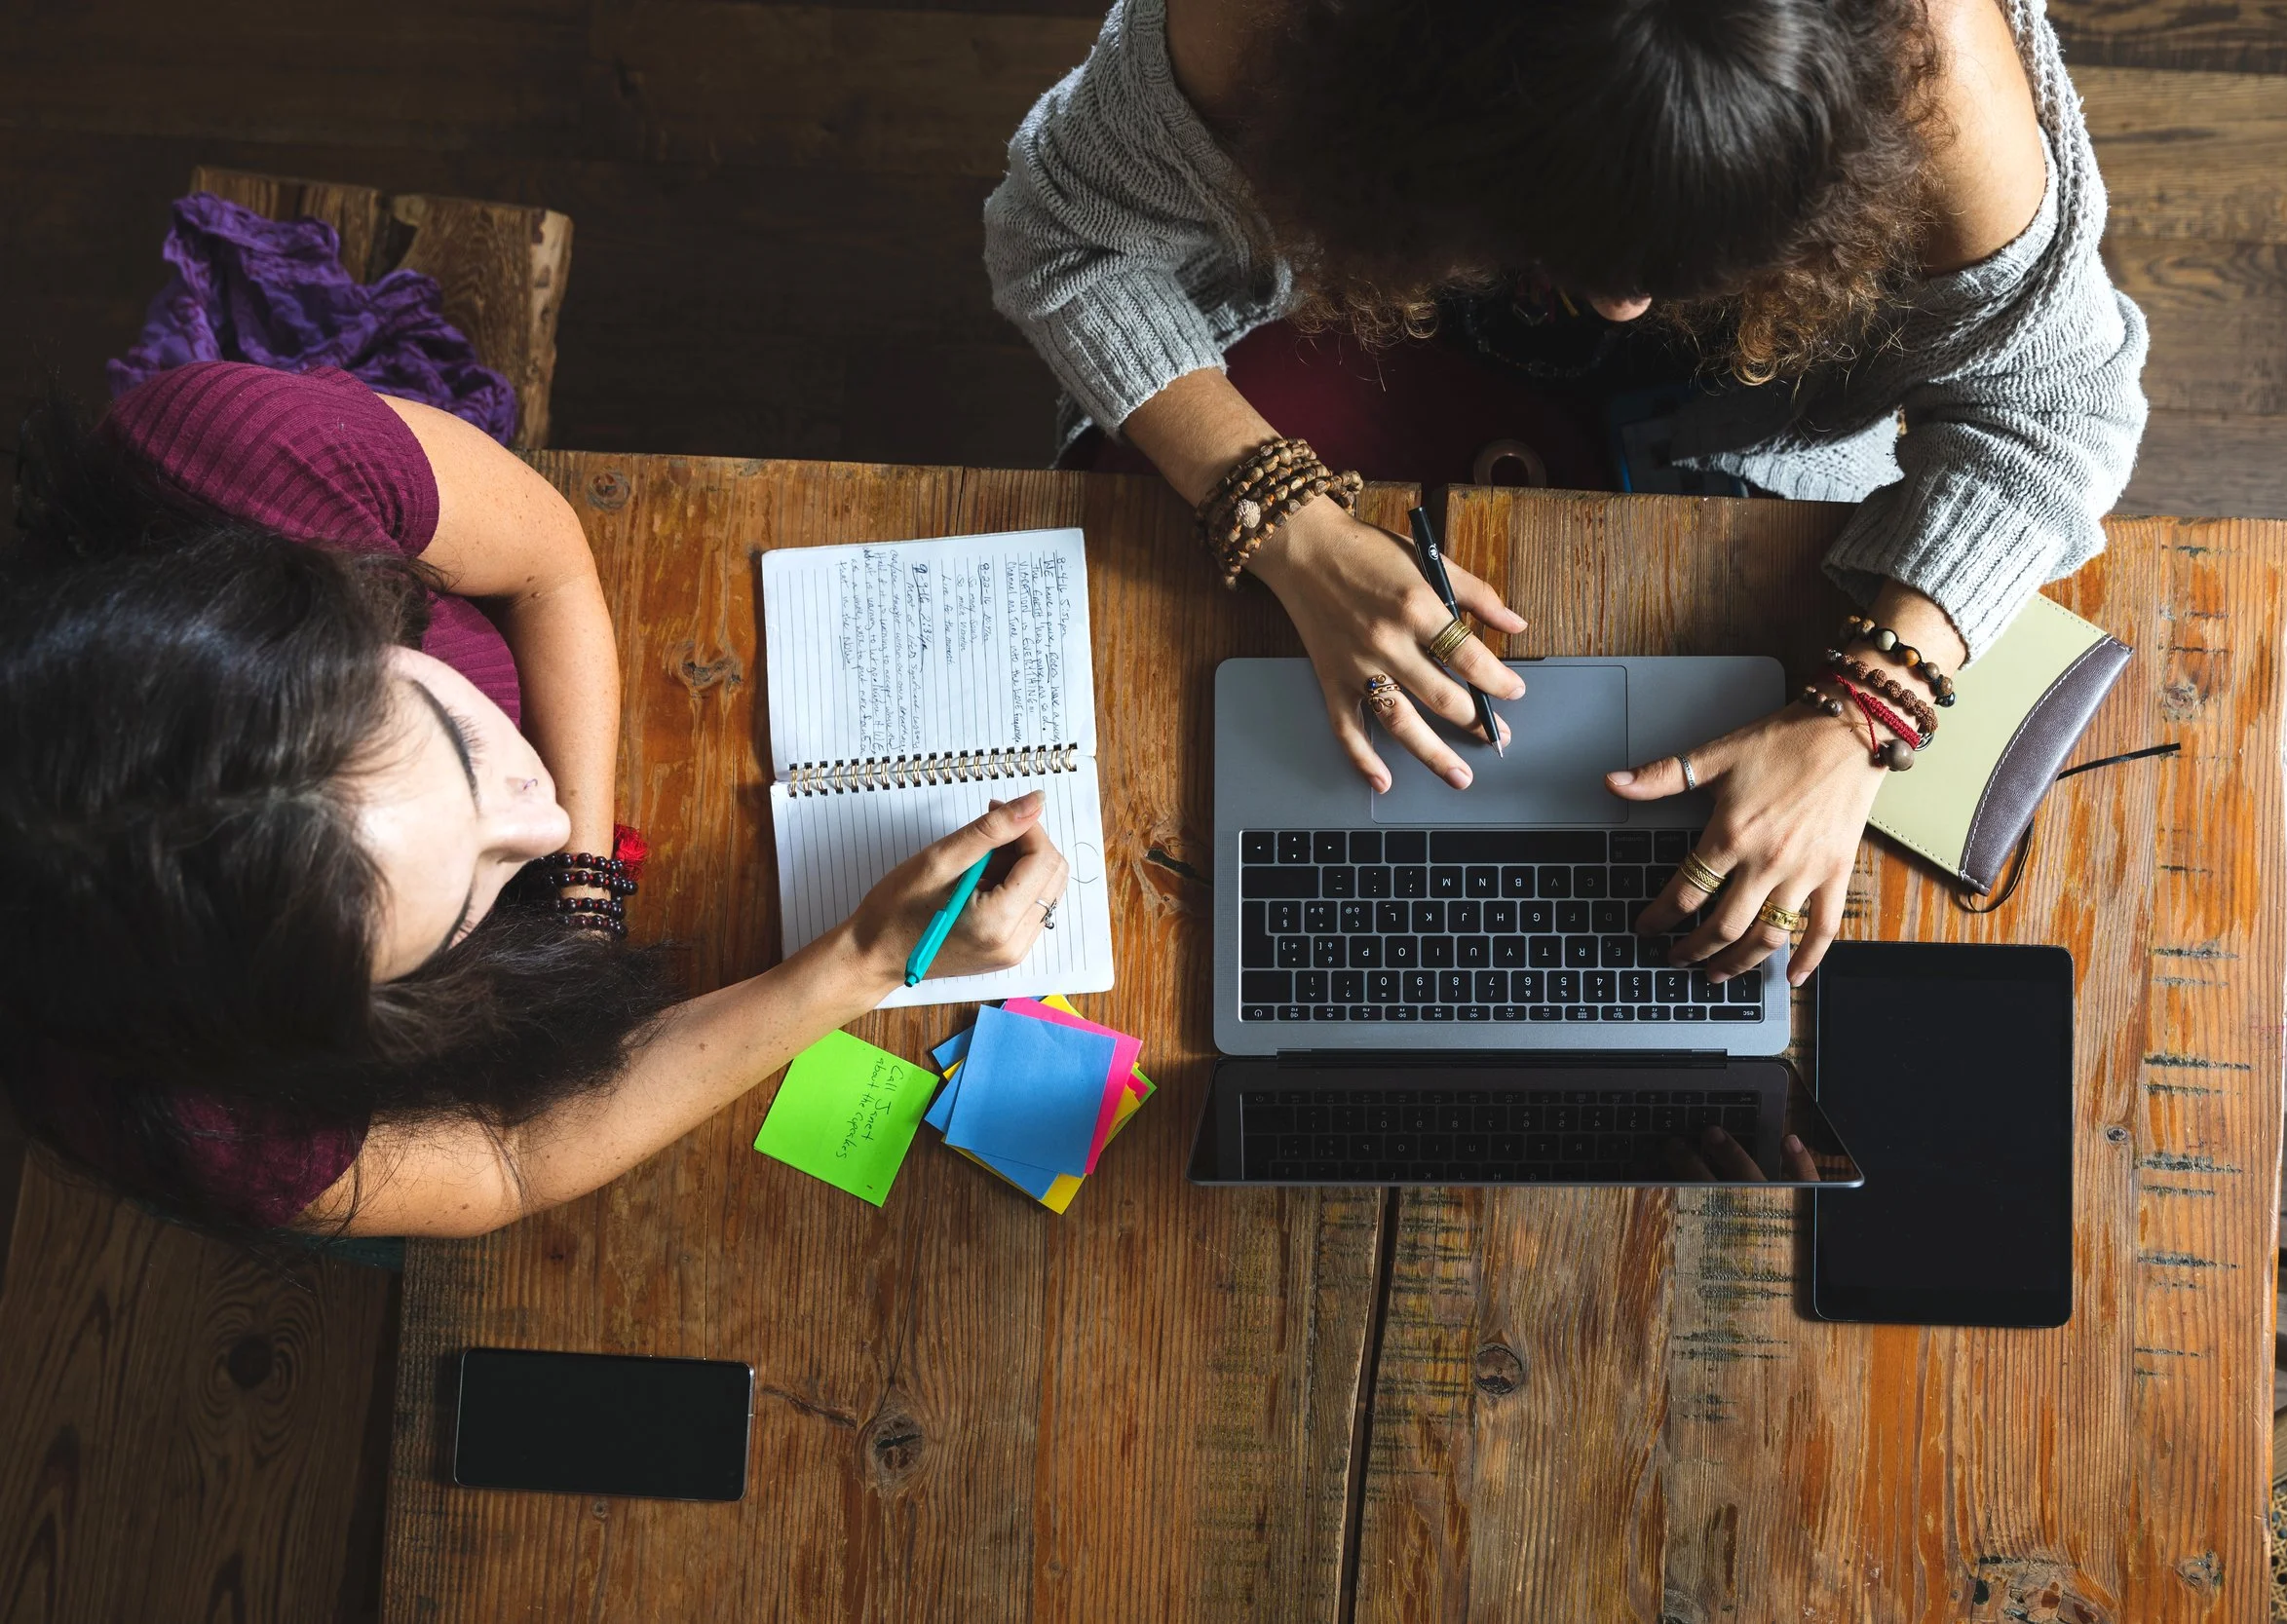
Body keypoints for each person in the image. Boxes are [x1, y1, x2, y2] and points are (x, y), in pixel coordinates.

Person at [984, 0, 2147, 986]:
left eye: (1671, 270)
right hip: (1361, 314)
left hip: (1745, 423)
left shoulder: (1934, 83)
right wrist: (1281, 514)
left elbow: (2057, 408)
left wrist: (1865, 710)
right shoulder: (1278, 26)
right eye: (1571, 248)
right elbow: (1066, 241)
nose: (1622, 309)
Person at [0, 362, 1068, 1238]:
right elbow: (509, 1157)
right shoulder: (197, 1117)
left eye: (460, 747)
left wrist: (585, 897)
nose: (551, 821)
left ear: (318, 614)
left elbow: (548, 562)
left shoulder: (226, 460)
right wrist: (868, 960)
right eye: (462, 896)